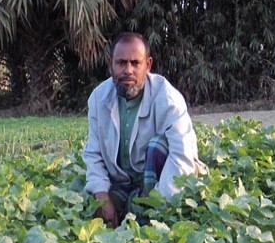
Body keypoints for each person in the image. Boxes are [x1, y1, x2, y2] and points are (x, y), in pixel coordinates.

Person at [83, 32, 203, 226]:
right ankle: (128, 210)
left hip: (160, 183)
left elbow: (183, 156)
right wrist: (102, 197)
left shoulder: (167, 97)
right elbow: (93, 154)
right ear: (110, 65)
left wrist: (157, 206)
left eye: (135, 63)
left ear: (147, 65)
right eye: (121, 63)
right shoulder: (98, 98)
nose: (128, 70)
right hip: (122, 182)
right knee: (90, 209)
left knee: (157, 146)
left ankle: (146, 215)